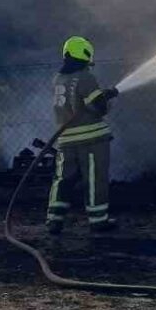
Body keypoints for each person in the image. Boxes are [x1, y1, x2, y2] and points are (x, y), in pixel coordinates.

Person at [47, 36, 118, 235]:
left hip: (65, 140)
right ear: (85, 55)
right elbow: (98, 107)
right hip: (92, 139)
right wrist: (107, 97)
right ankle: (98, 220)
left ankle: (54, 220)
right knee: (95, 179)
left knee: (62, 179)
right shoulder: (85, 77)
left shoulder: (58, 79)